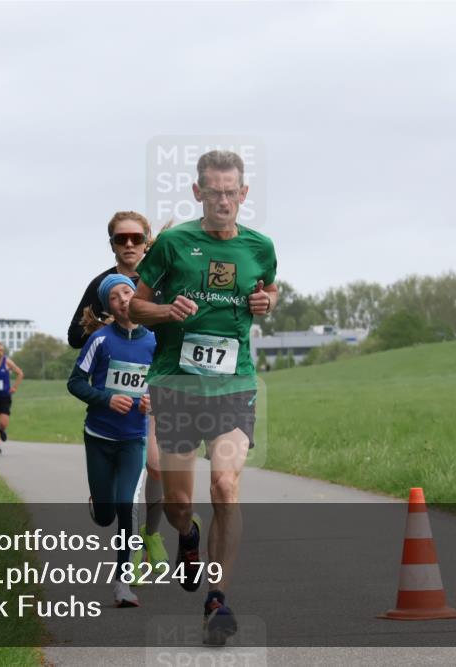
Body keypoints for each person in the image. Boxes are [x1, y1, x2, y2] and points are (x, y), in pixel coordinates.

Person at [129, 150, 278, 646]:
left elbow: (268, 291)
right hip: (175, 385)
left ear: (243, 194)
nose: (222, 201)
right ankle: (187, 536)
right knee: (177, 503)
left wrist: (267, 302)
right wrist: (167, 310)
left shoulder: (260, 246)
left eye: (231, 191)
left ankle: (217, 599)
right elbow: (134, 305)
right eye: (213, 191)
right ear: (198, 193)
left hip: (233, 387)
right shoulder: (173, 244)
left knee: (225, 485)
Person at [67, 211, 170, 582]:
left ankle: (151, 535)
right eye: (120, 239)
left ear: (146, 241)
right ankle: (131, 543)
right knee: (135, 477)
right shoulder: (102, 284)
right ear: (111, 243)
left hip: (154, 382)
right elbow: (75, 336)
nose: (128, 245)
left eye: (135, 238)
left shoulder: (161, 276)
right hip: (116, 394)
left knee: (156, 466)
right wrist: (107, 326)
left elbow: (181, 322)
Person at [68, 274, 155, 608]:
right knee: (105, 514)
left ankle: (122, 582)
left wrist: (153, 401)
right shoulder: (100, 341)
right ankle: (97, 499)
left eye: (127, 292)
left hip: (134, 438)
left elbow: (163, 383)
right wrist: (105, 398)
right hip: (100, 436)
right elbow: (75, 383)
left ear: (137, 297)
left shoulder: (153, 341)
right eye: (114, 296)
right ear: (109, 308)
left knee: (125, 505)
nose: (122, 298)